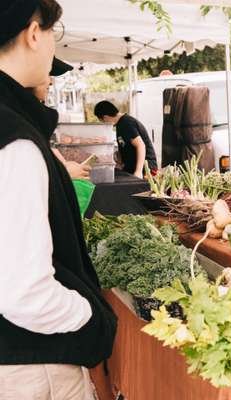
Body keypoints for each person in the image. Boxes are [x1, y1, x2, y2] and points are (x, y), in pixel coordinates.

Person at [0, 1, 117, 399]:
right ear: (34, 33)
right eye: (54, 34)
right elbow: (24, 294)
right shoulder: (13, 138)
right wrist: (94, 319)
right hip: (29, 370)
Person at [30, 57, 92, 180]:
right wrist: (62, 173)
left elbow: (48, 146)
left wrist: (64, 165)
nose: (51, 82)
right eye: (47, 72)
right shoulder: (13, 120)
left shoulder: (34, 115)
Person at [93, 100, 158, 178]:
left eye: (102, 121)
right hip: (131, 168)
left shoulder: (127, 123)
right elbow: (124, 145)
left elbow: (141, 145)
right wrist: (120, 163)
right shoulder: (120, 124)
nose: (104, 124)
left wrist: (138, 171)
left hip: (146, 169)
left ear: (105, 117)